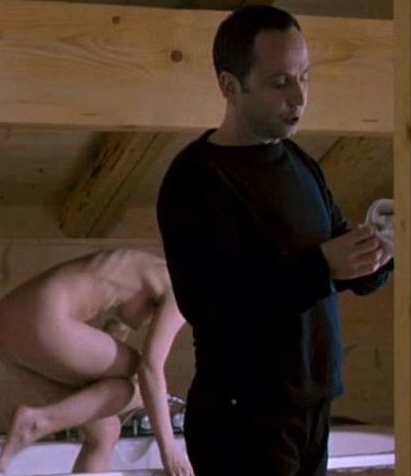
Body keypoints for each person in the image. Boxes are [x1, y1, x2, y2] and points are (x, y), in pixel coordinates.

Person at [156, 6, 393, 475]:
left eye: (305, 77)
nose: (299, 97)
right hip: (242, 419)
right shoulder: (197, 179)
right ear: (230, 86)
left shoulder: (299, 162)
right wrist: (323, 266)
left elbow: (346, 268)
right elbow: (212, 305)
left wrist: (384, 250)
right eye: (280, 82)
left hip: (311, 408)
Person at [0, 248, 192, 475]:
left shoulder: (146, 271)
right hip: (40, 317)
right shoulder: (184, 289)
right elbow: (150, 368)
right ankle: (38, 422)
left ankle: (42, 421)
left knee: (104, 431)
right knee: (136, 381)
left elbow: (117, 328)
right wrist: (170, 451)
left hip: (3, 327)